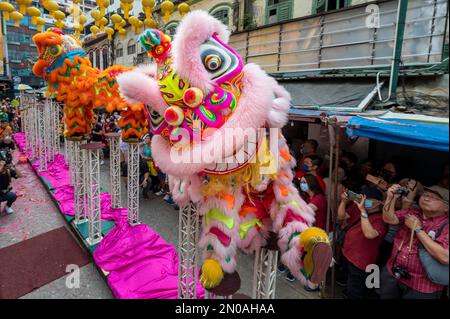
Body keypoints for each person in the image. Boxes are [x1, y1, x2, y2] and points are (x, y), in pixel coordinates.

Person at [380, 184, 449, 299]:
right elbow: (389, 218)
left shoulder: (446, 225)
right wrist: (390, 198)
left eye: (433, 197)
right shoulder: (413, 212)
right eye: (425, 195)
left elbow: (445, 257)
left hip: (423, 286)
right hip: (393, 273)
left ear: (446, 207)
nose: (426, 198)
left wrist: (417, 229)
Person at [338, 187, 387, 298]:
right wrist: (343, 202)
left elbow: (370, 234)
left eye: (368, 199)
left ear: (379, 202)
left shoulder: (380, 219)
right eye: (362, 198)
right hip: (348, 254)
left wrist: (363, 211)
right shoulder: (357, 208)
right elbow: (341, 216)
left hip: (361, 262)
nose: (364, 201)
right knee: (349, 283)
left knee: (356, 289)